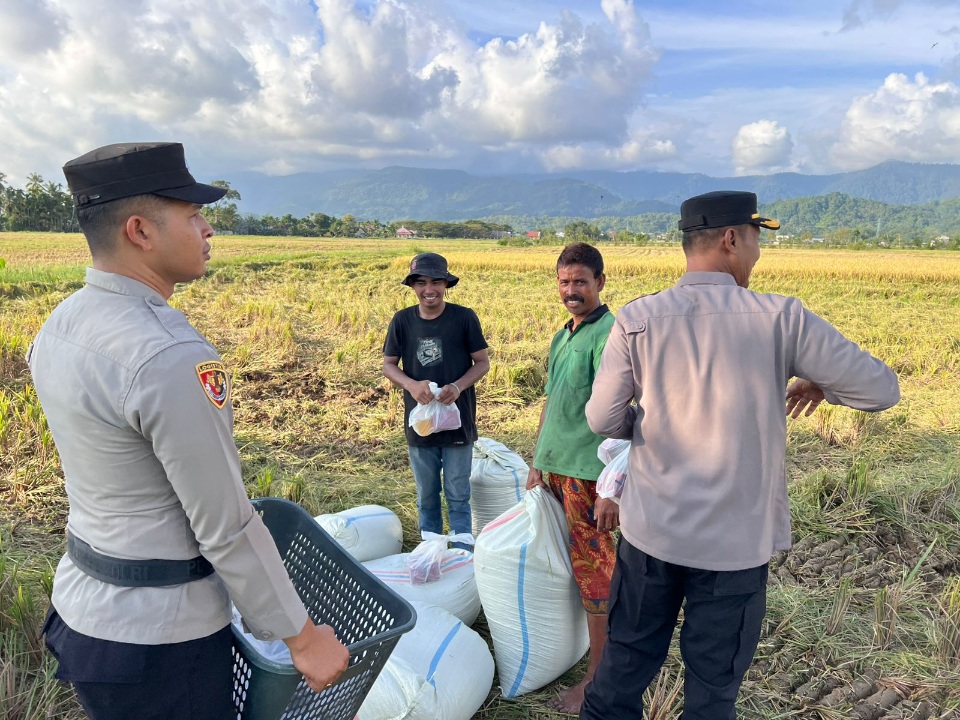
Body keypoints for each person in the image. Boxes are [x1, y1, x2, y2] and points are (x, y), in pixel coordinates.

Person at [28, 142, 349, 720]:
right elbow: (223, 523)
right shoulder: (168, 355)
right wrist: (301, 637)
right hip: (159, 642)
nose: (208, 230)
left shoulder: (61, 323)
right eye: (192, 215)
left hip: (84, 610)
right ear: (140, 231)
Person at [581, 191, 900, 720]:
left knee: (624, 669)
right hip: (734, 551)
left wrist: (644, 423)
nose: (757, 253)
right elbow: (881, 391)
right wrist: (821, 381)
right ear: (731, 239)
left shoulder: (638, 319)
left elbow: (602, 420)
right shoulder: (781, 318)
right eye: (755, 240)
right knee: (713, 690)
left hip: (652, 535)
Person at [525, 242, 619, 714]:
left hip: (588, 478)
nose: (571, 291)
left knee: (594, 574)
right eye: (564, 282)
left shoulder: (610, 336)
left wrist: (612, 486)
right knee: (568, 569)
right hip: (554, 472)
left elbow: (625, 414)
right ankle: (583, 652)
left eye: (580, 282)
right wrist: (535, 462)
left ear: (600, 282)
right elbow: (552, 403)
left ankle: (597, 680)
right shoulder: (564, 336)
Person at [383, 253, 490, 547]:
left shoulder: (464, 317)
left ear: (446, 284)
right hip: (422, 423)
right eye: (421, 283)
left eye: (435, 282)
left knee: (458, 492)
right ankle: (429, 547)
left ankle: (462, 550)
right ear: (413, 286)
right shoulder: (402, 321)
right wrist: (411, 384)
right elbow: (388, 364)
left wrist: (458, 386)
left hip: (458, 420)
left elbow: (482, 362)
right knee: (427, 493)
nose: (429, 289)